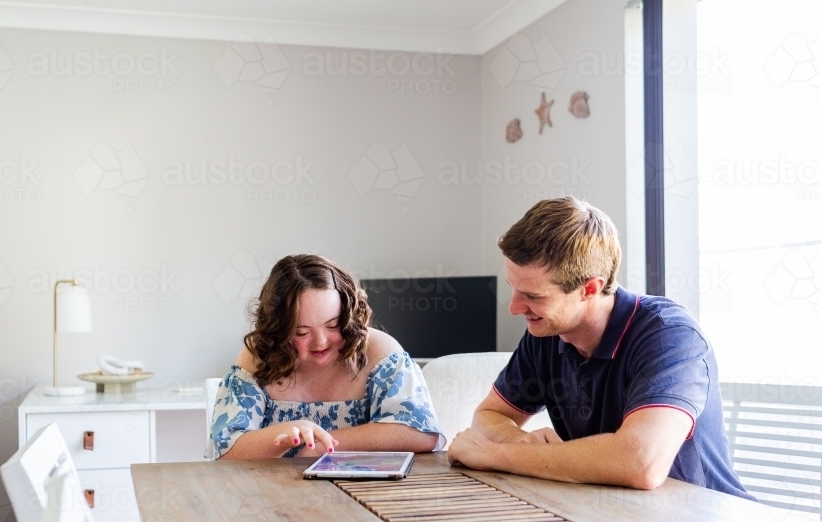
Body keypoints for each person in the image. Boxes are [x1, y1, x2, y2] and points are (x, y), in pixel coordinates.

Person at [448, 197, 751, 499]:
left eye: (534, 296)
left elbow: (640, 462)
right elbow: (489, 414)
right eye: (513, 288)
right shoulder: (546, 333)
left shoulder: (670, 336)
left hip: (701, 518)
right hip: (607, 512)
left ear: (590, 288)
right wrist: (517, 441)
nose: (514, 308)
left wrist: (495, 455)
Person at [207, 254, 444, 459]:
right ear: (277, 330)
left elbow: (422, 433)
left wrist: (325, 445)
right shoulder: (260, 354)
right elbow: (224, 450)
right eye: (302, 332)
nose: (320, 342)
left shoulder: (378, 350)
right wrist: (285, 435)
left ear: (349, 316)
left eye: (333, 325)